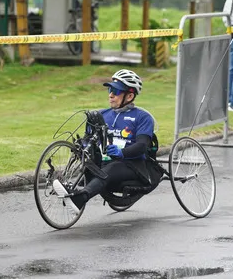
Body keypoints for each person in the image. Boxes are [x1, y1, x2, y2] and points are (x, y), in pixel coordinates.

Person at [53, 69, 162, 214]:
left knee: (110, 169)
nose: (110, 95)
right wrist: (84, 145)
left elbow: (142, 146)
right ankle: (71, 188)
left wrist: (121, 153)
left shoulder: (142, 117)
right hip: (104, 163)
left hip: (131, 165)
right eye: (110, 90)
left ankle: (80, 199)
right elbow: (88, 138)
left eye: (116, 92)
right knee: (91, 164)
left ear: (129, 95)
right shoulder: (102, 114)